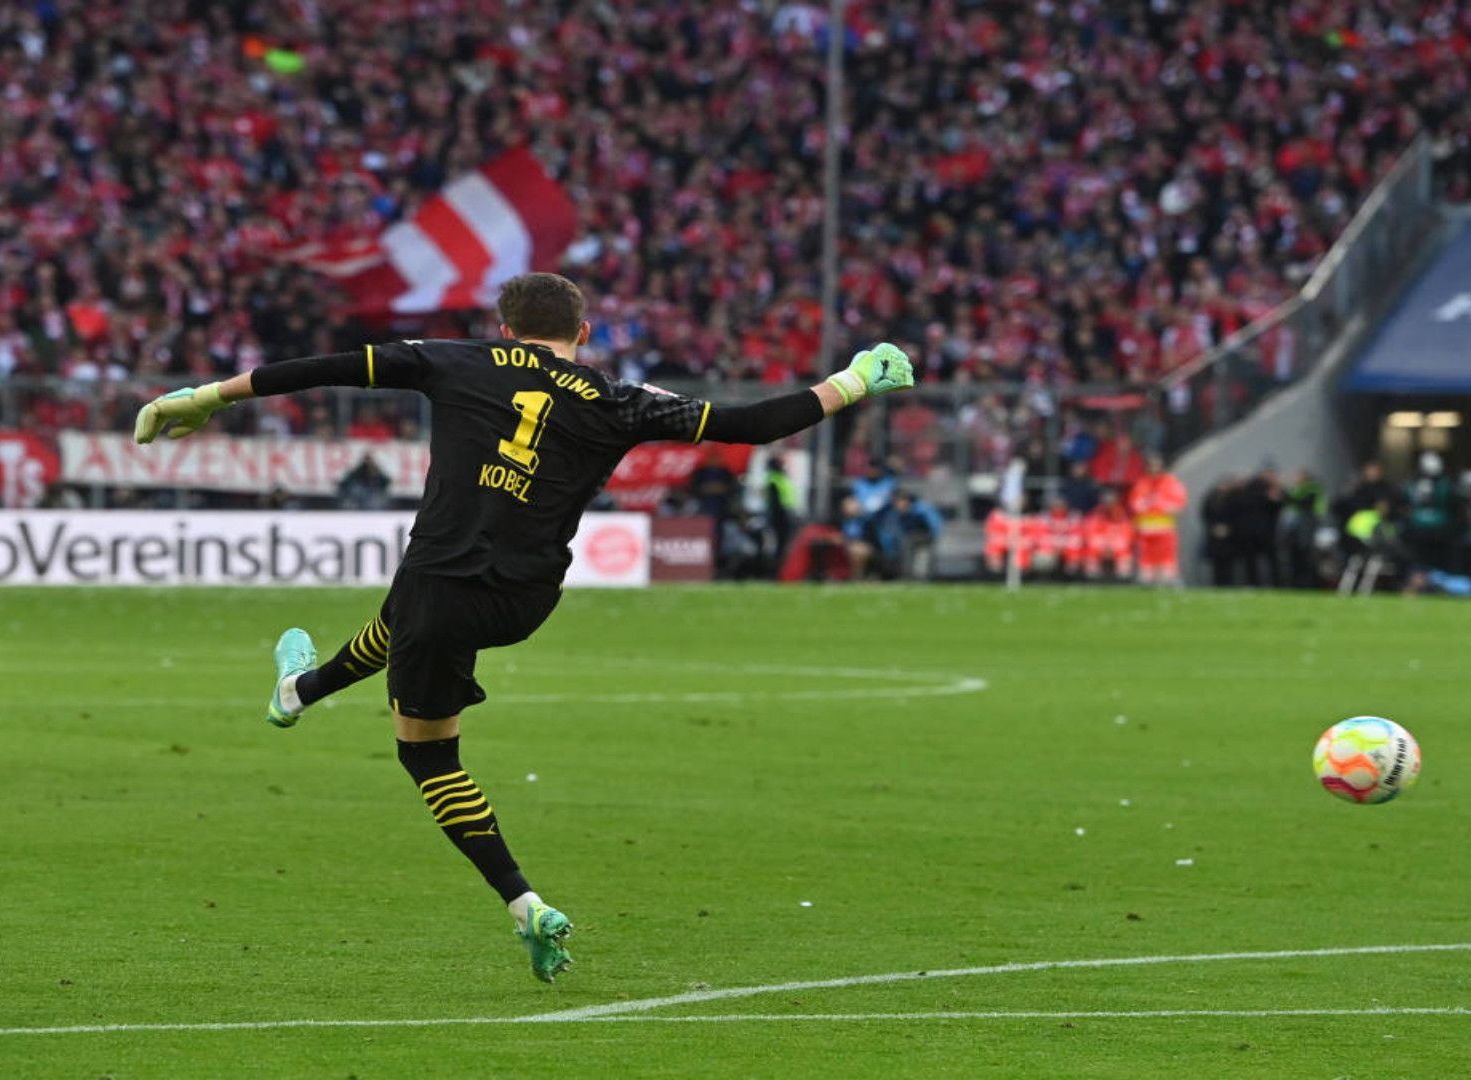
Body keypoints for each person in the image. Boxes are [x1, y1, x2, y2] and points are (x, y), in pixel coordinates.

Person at [132, 272, 915, 982]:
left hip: (442, 585)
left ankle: (524, 904)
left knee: (428, 754)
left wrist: (209, 396)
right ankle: (300, 691)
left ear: (505, 330)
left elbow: (325, 367)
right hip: (527, 599)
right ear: (583, 332)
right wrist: (853, 380)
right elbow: (752, 424)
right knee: (405, 619)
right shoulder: (618, 397)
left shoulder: (454, 359)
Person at [1128, 451, 1188, 585]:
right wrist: (1151, 505)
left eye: (1156, 465)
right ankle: (1148, 581)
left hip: (1164, 528)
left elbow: (1178, 504)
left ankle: (1167, 580)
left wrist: (1157, 505)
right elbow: (1135, 503)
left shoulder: (1171, 483)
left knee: (1166, 557)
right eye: (1151, 465)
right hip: (1145, 529)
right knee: (1146, 559)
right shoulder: (1141, 484)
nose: (1154, 469)